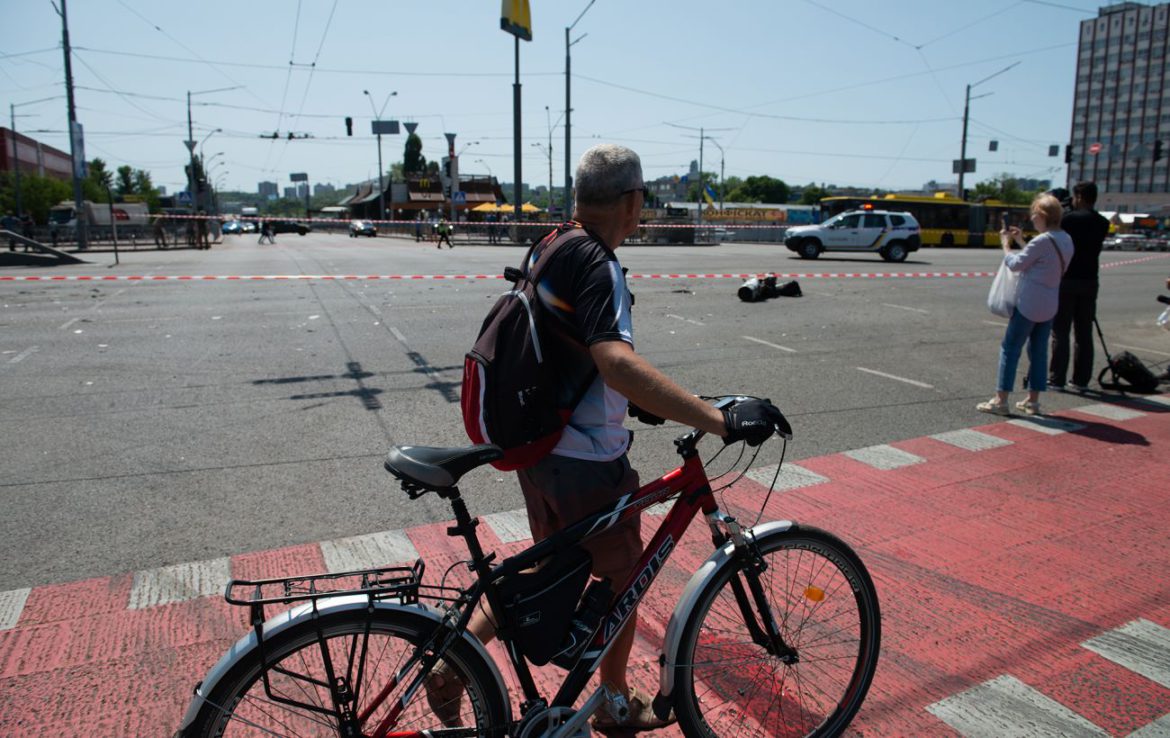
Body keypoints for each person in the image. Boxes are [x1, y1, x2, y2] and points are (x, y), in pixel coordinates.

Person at [426, 143, 783, 732]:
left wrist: (632, 402)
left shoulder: (555, 242)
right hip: (584, 459)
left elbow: (571, 351)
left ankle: (451, 665)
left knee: (548, 571)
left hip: (540, 449)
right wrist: (715, 420)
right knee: (624, 580)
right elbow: (614, 361)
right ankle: (615, 702)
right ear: (633, 201)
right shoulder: (599, 263)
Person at [978, 193, 1074, 417]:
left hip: (1028, 304)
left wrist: (1006, 245)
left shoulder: (1043, 240)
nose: (1032, 219)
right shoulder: (1066, 239)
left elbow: (1016, 264)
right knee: (1039, 352)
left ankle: (1000, 400)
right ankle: (1033, 401)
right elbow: (1042, 258)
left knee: (1010, 349)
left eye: (1034, 214)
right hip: (1050, 304)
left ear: (1042, 215)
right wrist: (1021, 241)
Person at [1049, 182, 1110, 393]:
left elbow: (1053, 232)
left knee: (1061, 331)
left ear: (1079, 197)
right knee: (1084, 333)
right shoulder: (1103, 222)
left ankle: (1057, 378)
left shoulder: (1068, 219)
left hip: (1067, 280)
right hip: (1090, 280)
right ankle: (1081, 380)